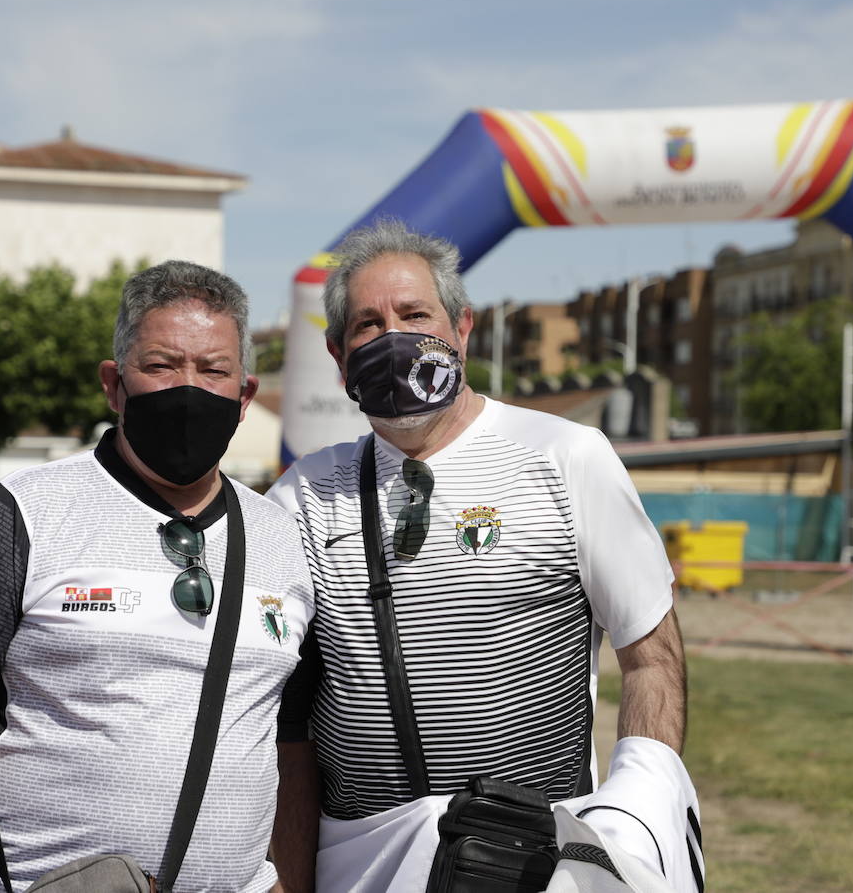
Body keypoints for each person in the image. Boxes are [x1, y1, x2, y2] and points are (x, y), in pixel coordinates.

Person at [266, 220, 700, 892]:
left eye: (415, 315)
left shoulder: (565, 458)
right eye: (367, 325)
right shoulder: (302, 495)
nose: (393, 338)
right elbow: (277, 705)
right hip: (363, 861)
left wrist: (641, 814)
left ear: (462, 329)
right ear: (336, 351)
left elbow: (651, 655)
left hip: (537, 857)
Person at [0, 261, 313, 893]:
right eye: (162, 365)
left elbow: (288, 742)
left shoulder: (281, 536)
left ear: (245, 397)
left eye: (213, 370)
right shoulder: (23, 511)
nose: (188, 388)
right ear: (115, 385)